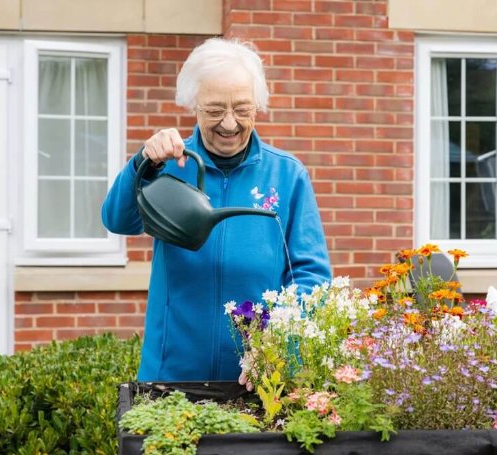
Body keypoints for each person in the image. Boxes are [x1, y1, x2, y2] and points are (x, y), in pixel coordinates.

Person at [102, 38, 332, 387]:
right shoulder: (170, 165)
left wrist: (277, 345)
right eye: (214, 110)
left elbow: (312, 277)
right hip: (172, 374)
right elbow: (118, 220)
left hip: (259, 379)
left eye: (242, 109)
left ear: (258, 105)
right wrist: (143, 163)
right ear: (193, 105)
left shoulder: (287, 176)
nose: (229, 123)